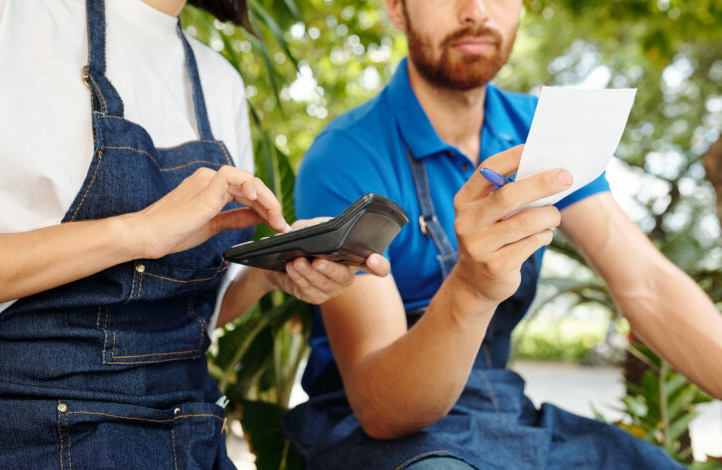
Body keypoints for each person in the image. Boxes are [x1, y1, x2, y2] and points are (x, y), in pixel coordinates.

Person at [0, 0, 389, 468]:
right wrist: (138, 232)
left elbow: (198, 315)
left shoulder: (220, 83)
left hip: (190, 439)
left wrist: (276, 272)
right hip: (16, 438)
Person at [283, 0, 722, 469]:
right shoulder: (344, 156)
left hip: (503, 412)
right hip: (376, 433)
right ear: (396, 9)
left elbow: (647, 285)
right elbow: (382, 411)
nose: (475, 10)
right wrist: (472, 286)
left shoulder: (540, 131)